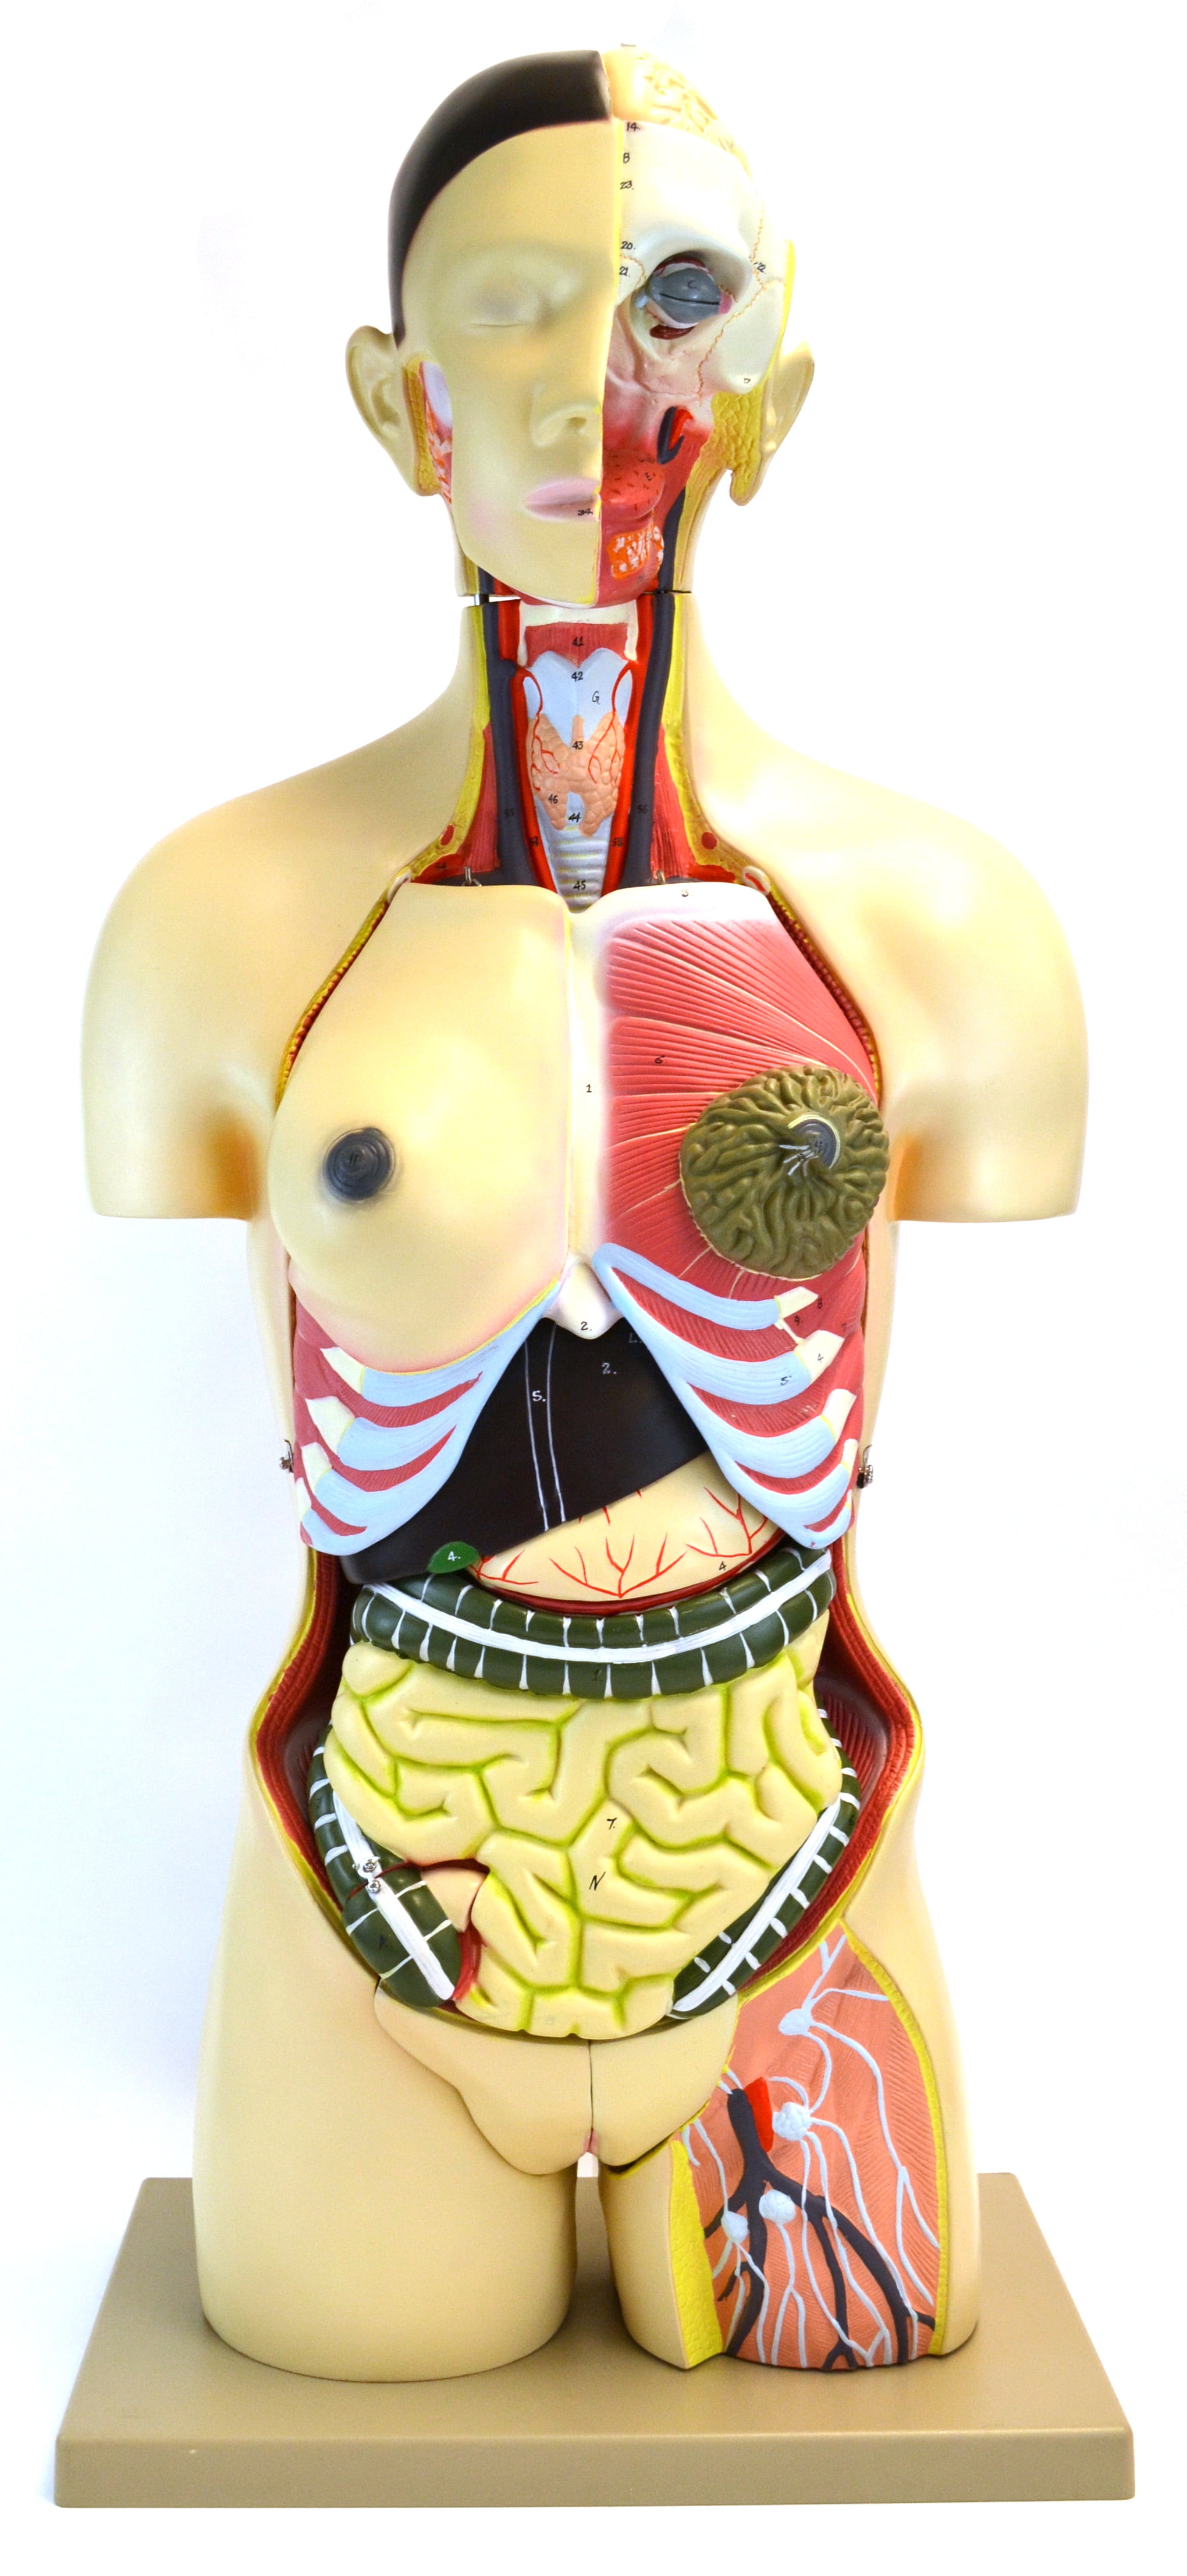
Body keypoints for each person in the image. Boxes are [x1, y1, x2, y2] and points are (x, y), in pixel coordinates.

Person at [83, 47, 1086, 2381]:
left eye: (675, 302)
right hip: (377, 1883)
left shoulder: (946, 930)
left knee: (848, 2365)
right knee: (352, 2356)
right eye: (512, 304)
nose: (591, 385)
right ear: (392, 399)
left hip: (791, 1887)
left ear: (778, 388)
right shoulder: (218, 926)